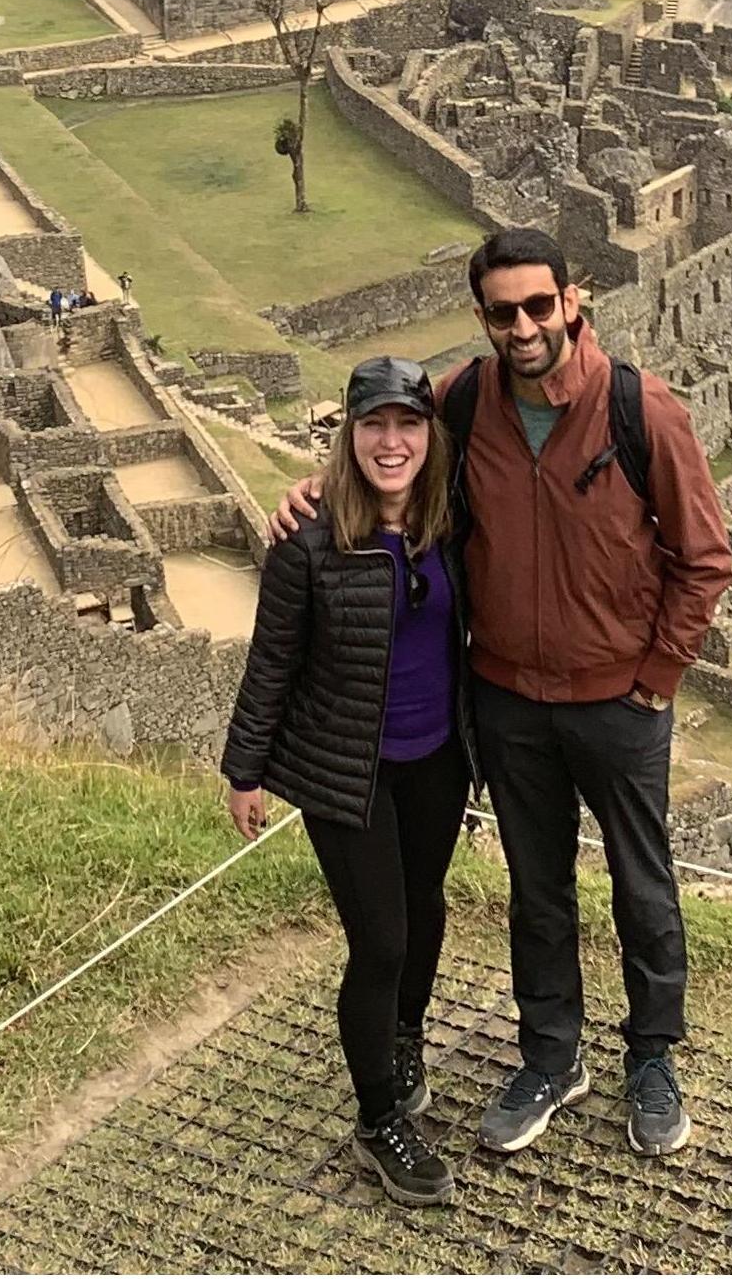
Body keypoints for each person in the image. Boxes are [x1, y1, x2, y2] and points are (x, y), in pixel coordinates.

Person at [273, 227, 731, 1162]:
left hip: (619, 700)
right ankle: (552, 1056)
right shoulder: (464, 401)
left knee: (642, 884)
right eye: (501, 312)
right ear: (482, 317)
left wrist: (657, 678)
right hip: (509, 698)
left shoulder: (640, 410)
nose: (522, 327)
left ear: (572, 301)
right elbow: (388, 449)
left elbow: (704, 557)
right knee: (537, 888)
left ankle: (652, 1058)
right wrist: (310, 492)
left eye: (537, 306)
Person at [222, 356, 469, 1208]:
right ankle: (378, 1121)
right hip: (346, 771)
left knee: (425, 909)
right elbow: (271, 661)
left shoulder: (452, 518)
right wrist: (244, 772)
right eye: (374, 425)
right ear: (350, 436)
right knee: (381, 941)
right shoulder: (309, 540)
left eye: (408, 424)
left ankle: (403, 1040)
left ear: (430, 435)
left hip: (437, 757)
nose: (391, 442)